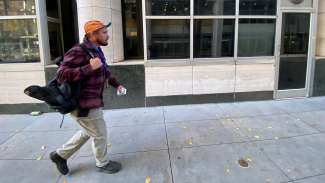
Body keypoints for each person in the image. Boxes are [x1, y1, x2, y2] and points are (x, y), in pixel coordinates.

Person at [49, 20, 125, 175]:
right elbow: (62, 74)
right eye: (104, 32)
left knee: (89, 131)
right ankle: (102, 163)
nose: (107, 36)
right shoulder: (78, 51)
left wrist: (117, 84)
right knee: (100, 134)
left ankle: (59, 155)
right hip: (82, 104)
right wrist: (88, 68)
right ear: (92, 35)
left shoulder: (96, 50)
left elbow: (104, 71)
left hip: (91, 102)